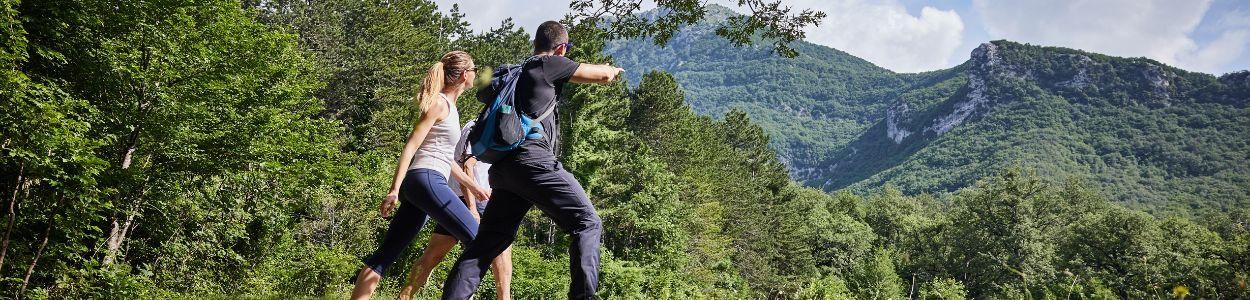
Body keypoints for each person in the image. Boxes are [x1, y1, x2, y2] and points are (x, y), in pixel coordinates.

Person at [441, 21, 624, 300]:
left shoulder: (520, 70)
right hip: (533, 162)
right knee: (587, 223)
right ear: (561, 48)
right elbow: (601, 76)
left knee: (486, 244)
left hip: (503, 170)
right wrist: (612, 70)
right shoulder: (549, 64)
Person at [351, 51, 491, 300]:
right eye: (473, 69)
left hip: (423, 183)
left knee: (386, 254)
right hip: (425, 179)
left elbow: (446, 158)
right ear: (462, 75)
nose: (475, 74)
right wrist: (394, 189)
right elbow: (412, 145)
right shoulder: (439, 103)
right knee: (479, 241)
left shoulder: (451, 108)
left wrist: (473, 185)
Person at [397, 120, 513, 300]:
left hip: (461, 198)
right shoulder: (480, 126)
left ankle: (404, 296)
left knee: (432, 255)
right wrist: (472, 206)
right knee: (500, 253)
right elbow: (467, 165)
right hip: (475, 199)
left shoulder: (495, 125)